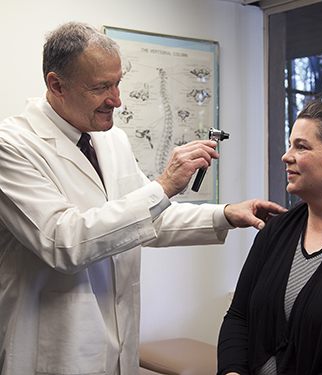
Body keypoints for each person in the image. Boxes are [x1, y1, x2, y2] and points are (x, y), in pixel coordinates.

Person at [0, 22, 285, 375]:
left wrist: (225, 214)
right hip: (53, 351)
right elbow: (63, 241)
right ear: (57, 85)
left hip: (118, 347)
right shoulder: (12, 147)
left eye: (118, 82)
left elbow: (148, 218)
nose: (116, 99)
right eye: (101, 87)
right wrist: (164, 184)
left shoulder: (110, 139)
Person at [217, 99, 322, 375]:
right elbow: (238, 317)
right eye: (290, 144)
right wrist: (232, 371)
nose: (286, 156)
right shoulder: (277, 231)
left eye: (301, 146)